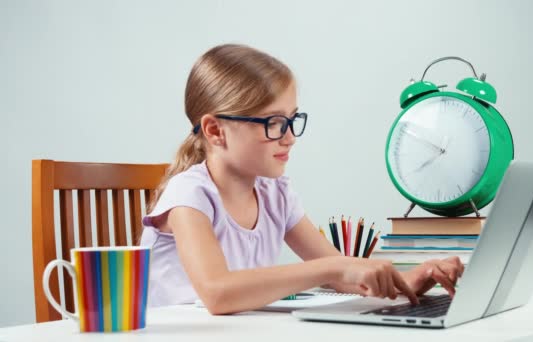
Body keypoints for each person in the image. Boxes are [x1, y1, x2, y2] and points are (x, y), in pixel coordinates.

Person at [139, 44, 464, 315]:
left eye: (293, 120)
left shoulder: (274, 194)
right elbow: (217, 293)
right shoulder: (189, 195)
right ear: (215, 130)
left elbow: (341, 276)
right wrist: (334, 268)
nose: (290, 137)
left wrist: (411, 278)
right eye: (274, 122)